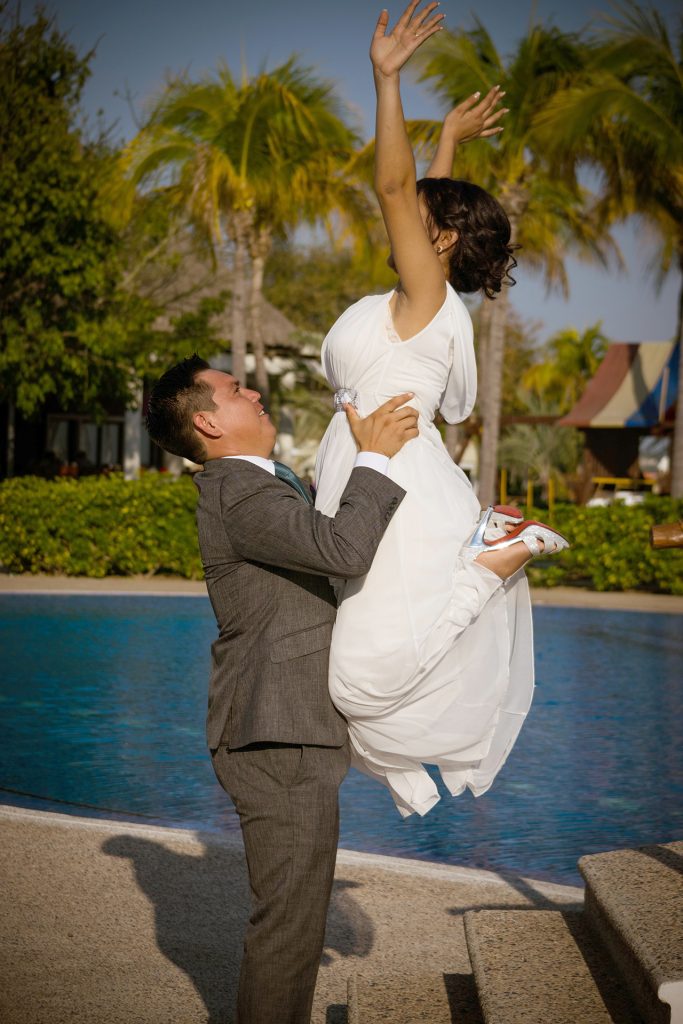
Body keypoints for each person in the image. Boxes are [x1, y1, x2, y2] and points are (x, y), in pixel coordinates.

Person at [314, 1, 569, 818]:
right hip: (376, 473)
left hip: (395, 488)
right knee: (344, 676)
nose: (397, 213)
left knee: (355, 681)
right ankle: (488, 558)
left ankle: (491, 562)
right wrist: (450, 141)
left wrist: (387, 79)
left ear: (441, 243)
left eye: (419, 219)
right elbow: (421, 198)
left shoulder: (425, 299)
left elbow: (396, 185)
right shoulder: (413, 303)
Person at [145, 354, 418, 1024]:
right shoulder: (239, 491)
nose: (255, 392)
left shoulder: (254, 483)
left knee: (294, 921)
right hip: (276, 729)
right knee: (289, 928)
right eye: (236, 389)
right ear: (208, 422)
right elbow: (342, 550)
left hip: (285, 726)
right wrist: (375, 457)